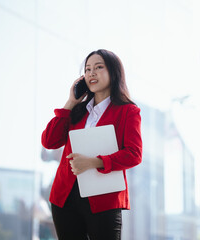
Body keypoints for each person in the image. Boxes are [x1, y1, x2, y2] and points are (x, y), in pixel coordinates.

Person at [41, 49, 142, 240]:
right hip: (65, 198)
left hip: (104, 198)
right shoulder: (77, 110)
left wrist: (94, 162)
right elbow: (49, 141)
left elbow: (134, 154)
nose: (91, 73)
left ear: (113, 72)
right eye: (87, 69)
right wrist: (71, 102)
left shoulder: (128, 111)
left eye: (98, 67)